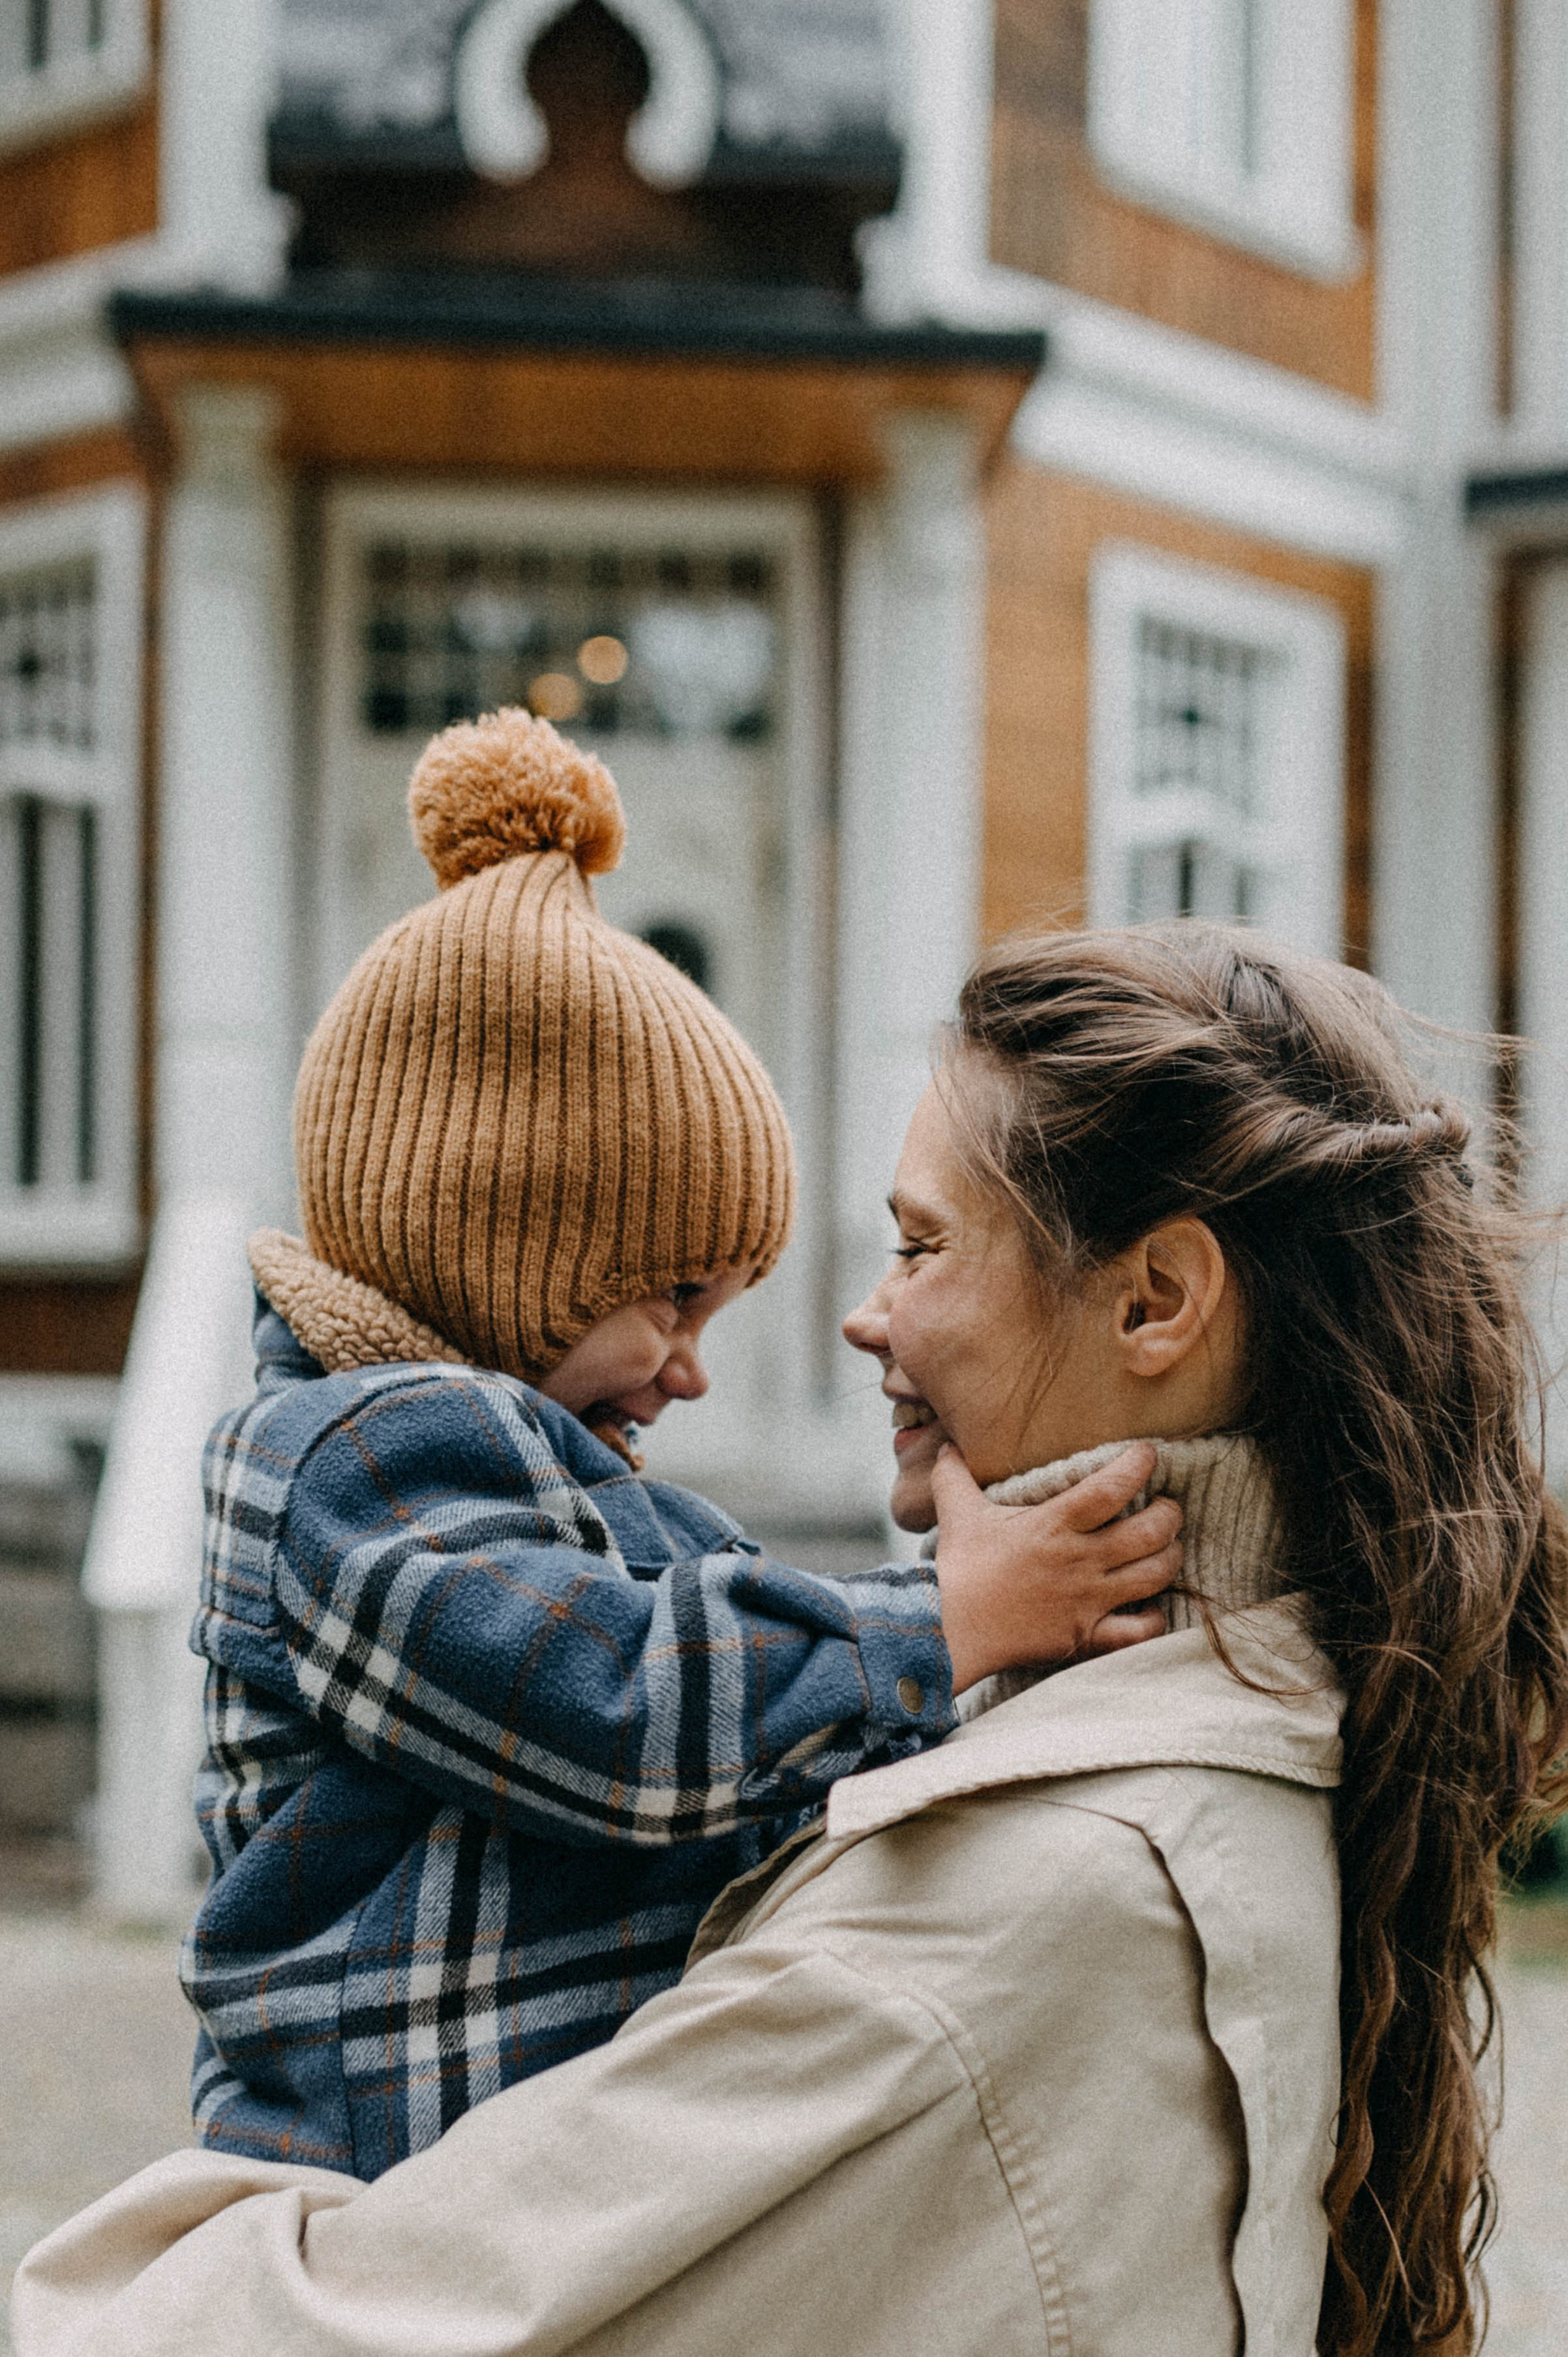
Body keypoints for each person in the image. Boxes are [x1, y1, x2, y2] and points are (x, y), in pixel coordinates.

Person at [18, 925, 1567, 2357]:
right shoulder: (1184, 1747)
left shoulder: (1026, 1896)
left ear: (1153, 1299)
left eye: (917, 1247)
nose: (858, 1319)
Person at [175, 707, 1179, 2182]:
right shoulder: (348, 1469)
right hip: (367, 2175)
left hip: (503, 2165)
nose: (694, 1372)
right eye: (671, 1298)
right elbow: (617, 1712)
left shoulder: (516, 1469)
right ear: (508, 1244)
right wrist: (952, 1620)